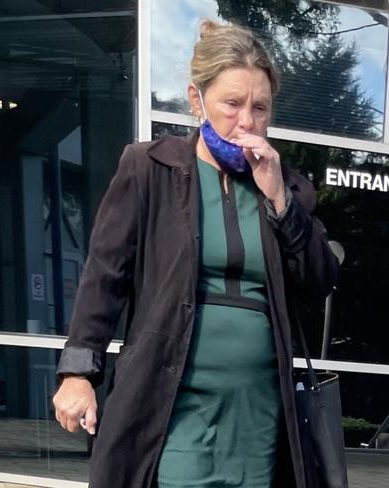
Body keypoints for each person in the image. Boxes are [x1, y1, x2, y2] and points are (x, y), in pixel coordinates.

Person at [52, 19, 338, 488]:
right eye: (232, 103)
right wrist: (79, 372)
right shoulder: (149, 168)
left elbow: (320, 279)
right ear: (196, 99)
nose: (246, 121)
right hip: (170, 400)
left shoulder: (287, 187)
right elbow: (105, 275)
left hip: (257, 408)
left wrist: (280, 203)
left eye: (260, 107)